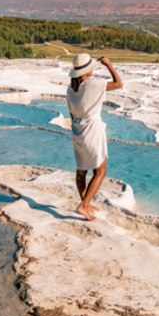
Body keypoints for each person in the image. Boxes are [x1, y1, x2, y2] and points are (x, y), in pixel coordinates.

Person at [66, 53, 123, 220]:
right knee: (100, 171)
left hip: (77, 130)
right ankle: (83, 206)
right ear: (88, 70)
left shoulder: (71, 88)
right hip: (93, 129)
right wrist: (109, 64)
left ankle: (86, 202)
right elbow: (119, 84)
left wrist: (77, 129)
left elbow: (71, 113)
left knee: (81, 171)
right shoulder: (93, 84)